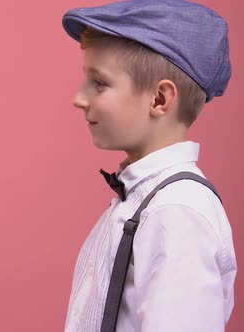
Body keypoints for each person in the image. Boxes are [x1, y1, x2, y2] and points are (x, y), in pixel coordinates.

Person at [61, 1, 237, 331]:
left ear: (159, 99)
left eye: (99, 83)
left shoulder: (177, 212)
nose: (79, 98)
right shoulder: (143, 199)